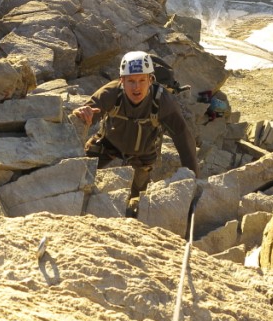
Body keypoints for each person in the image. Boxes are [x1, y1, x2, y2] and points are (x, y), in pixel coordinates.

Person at [74, 51, 199, 214]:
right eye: (131, 81)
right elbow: (88, 111)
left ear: (151, 80)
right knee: (79, 175)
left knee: (137, 203)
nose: (136, 87)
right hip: (108, 145)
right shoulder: (111, 93)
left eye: (142, 80)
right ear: (122, 81)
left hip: (144, 156)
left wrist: (193, 180)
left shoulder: (163, 101)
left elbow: (183, 138)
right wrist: (82, 113)